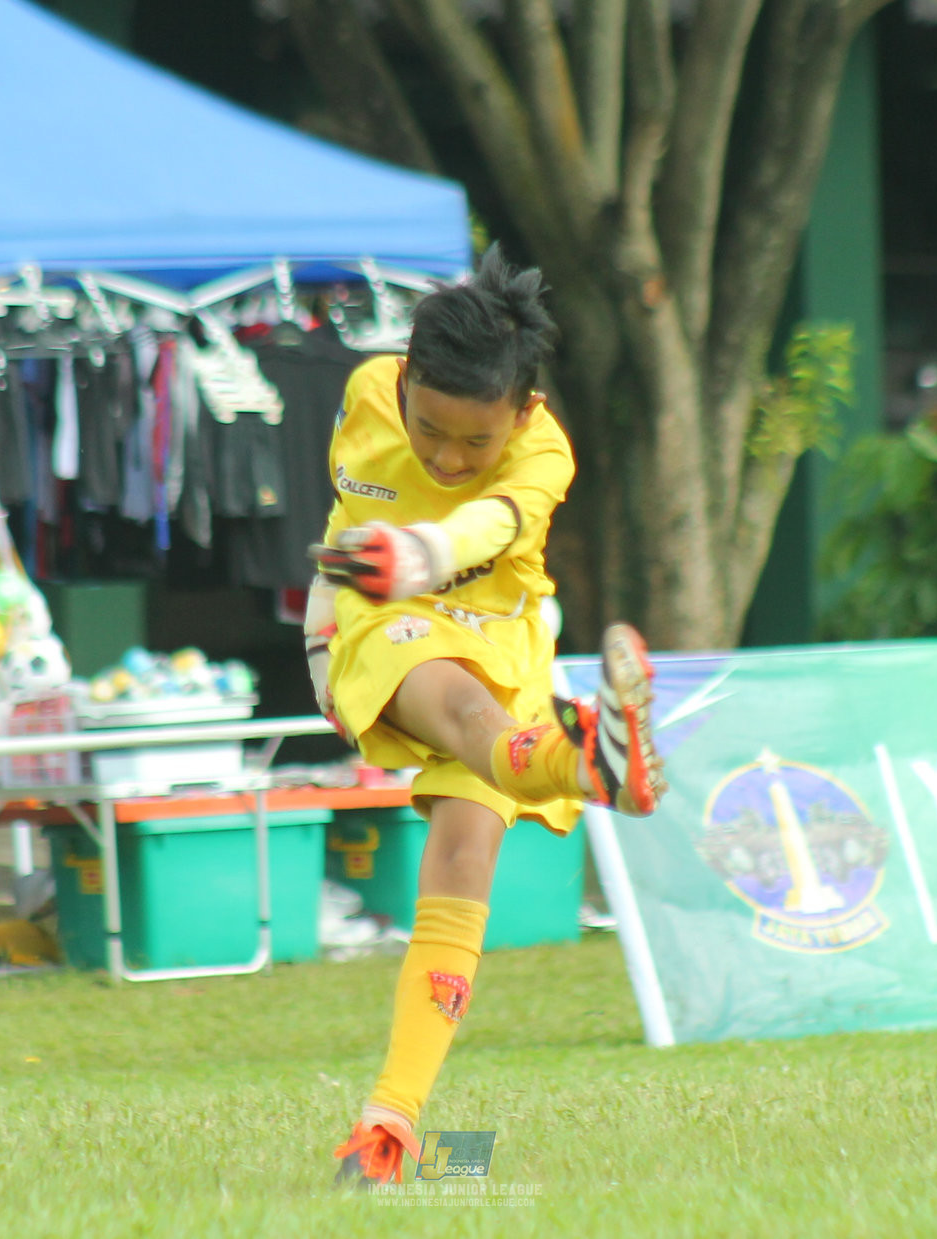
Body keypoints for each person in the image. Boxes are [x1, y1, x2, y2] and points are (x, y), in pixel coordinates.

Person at [308, 248, 665, 1187]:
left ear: (524, 411)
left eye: (476, 442)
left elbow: (491, 529)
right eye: (430, 428)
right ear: (406, 381)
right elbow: (341, 533)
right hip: (385, 621)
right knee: (465, 710)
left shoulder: (548, 449)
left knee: (466, 857)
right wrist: (321, 636)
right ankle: (589, 764)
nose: (447, 456)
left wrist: (424, 549)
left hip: (502, 634)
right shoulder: (363, 394)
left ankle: (387, 1127)